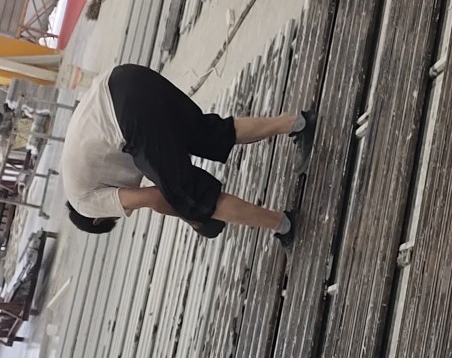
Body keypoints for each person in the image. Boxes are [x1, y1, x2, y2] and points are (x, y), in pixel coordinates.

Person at [61, 64, 304, 240]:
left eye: (118, 215)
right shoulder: (76, 172)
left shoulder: (85, 204)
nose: (127, 211)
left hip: (126, 116)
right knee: (208, 133)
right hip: (128, 78)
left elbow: (153, 198)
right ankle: (296, 122)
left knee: (195, 198)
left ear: (98, 219)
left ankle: (282, 224)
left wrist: (194, 218)